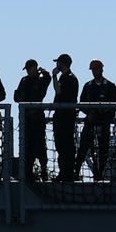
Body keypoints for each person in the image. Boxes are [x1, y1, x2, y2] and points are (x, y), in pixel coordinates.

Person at [78, 59, 116, 181]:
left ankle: (100, 173)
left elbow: (113, 106)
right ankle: (76, 170)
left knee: (103, 149)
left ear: (101, 69)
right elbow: (82, 103)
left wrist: (102, 112)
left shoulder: (110, 86)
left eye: (96, 69)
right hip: (90, 122)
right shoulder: (88, 86)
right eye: (93, 70)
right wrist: (90, 113)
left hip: (104, 122)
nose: (95, 72)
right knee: (83, 147)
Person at [14, 58, 51, 181]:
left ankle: (44, 170)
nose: (28, 72)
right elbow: (17, 96)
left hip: (37, 116)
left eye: (30, 69)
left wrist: (42, 71)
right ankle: (28, 172)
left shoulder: (41, 79)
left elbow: (48, 77)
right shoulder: (24, 81)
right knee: (27, 146)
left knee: (40, 145)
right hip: (27, 118)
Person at [50, 53, 81, 182]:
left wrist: (54, 76)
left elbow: (58, 91)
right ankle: (65, 172)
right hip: (63, 115)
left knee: (65, 145)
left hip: (65, 116)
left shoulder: (68, 78)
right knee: (62, 145)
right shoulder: (69, 77)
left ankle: (66, 173)